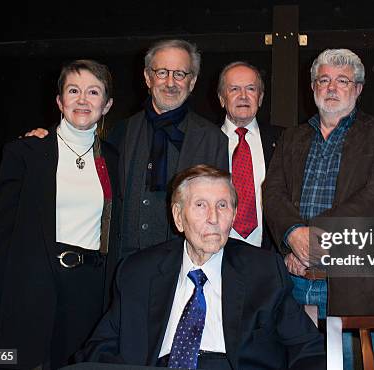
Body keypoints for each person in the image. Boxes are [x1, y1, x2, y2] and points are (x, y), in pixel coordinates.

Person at [78, 165, 325, 370]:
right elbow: (99, 349)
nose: (213, 218)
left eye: (222, 205)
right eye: (200, 205)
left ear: (234, 214)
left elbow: (308, 350)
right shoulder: (138, 272)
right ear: (178, 216)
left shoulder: (264, 272)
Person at [0, 59, 119, 369]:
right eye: (73, 90)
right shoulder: (25, 153)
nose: (82, 99)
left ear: (107, 105)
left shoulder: (115, 159)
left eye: (93, 92)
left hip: (89, 298)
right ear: (60, 101)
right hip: (29, 292)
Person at [263, 49, 374, 367]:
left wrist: (311, 237)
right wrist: (291, 235)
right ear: (312, 87)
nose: (331, 87)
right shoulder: (291, 138)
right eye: (323, 79)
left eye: (342, 80)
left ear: (358, 88)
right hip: (294, 282)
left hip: (356, 289)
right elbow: (273, 193)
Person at [27, 39, 228, 258]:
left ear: (192, 82)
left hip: (181, 263)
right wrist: (46, 138)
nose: (170, 82)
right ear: (147, 77)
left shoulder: (213, 139)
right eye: (161, 72)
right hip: (123, 263)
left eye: (180, 74)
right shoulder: (120, 132)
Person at [217, 61, 280, 250]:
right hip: (217, 252)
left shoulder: (284, 141)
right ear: (222, 98)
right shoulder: (204, 142)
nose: (243, 96)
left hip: (269, 254)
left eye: (251, 89)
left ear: (260, 98)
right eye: (234, 89)